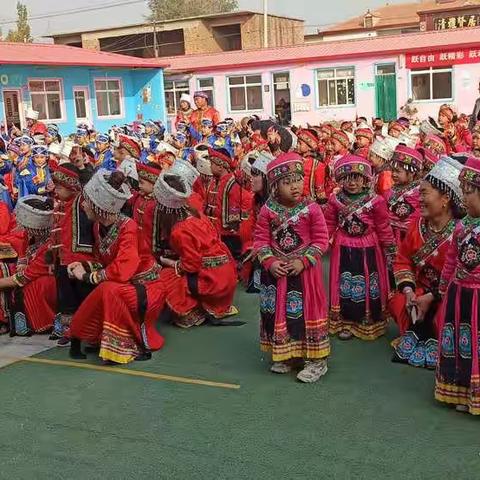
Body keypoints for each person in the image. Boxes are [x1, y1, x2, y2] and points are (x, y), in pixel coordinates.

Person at [67, 170, 165, 364]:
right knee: (106, 289)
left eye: (87, 201)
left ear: (98, 207)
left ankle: (116, 345)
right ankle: (80, 334)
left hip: (145, 287)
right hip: (125, 284)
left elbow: (123, 269)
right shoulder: (98, 227)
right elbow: (103, 261)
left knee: (108, 289)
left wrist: (87, 276)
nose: (83, 205)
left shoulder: (128, 227)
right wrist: (84, 265)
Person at [254, 152, 330, 382]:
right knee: (282, 312)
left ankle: (316, 360)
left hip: (304, 273)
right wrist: (270, 262)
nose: (295, 186)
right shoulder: (267, 210)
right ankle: (288, 354)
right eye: (287, 183)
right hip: (278, 274)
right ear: (275, 186)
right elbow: (260, 240)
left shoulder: (312, 208)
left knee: (305, 313)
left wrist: (303, 261)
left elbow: (321, 240)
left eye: (297, 180)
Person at [389, 156, 464, 369]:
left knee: (446, 316)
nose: (419, 199)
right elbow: (402, 261)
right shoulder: (418, 225)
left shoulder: (461, 231)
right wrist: (410, 292)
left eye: (424, 193)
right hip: (420, 291)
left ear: (445, 198)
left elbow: (460, 273)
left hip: (448, 294)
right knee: (398, 302)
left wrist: (432, 297)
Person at [325, 154, 396, 341]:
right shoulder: (335, 200)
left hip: (368, 248)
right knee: (344, 284)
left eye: (357, 178)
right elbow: (329, 223)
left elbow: (383, 226)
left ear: (366, 179)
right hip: (343, 247)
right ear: (340, 180)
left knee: (367, 283)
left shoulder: (376, 200)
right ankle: (346, 322)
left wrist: (390, 247)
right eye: (347, 178)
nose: (352, 183)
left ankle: (368, 321)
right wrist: (320, 244)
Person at [153, 172, 238, 328]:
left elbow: (192, 265)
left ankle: (193, 312)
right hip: (227, 276)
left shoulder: (179, 230)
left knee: (166, 276)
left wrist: (170, 263)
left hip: (214, 282)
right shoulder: (197, 215)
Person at [435, 155, 480, 415]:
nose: (463, 198)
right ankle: (463, 390)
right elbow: (452, 258)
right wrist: (444, 287)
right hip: (459, 293)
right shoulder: (462, 226)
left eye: (469, 192)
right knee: (463, 343)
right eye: (462, 191)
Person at [48, 163, 96, 344]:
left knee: (83, 295)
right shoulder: (60, 206)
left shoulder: (82, 202)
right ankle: (70, 330)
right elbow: (55, 233)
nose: (56, 191)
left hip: (81, 258)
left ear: (70, 186)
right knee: (66, 298)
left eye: (60, 187)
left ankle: (88, 330)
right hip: (62, 259)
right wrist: (51, 258)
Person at [0, 195, 56, 336]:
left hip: (47, 280)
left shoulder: (49, 246)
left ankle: (35, 321)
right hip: (30, 272)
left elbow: (23, 277)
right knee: (2, 270)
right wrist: (21, 264)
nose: (22, 228)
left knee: (32, 286)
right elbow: (24, 257)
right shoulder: (29, 235)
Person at [204, 147, 253, 261]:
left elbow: (234, 208)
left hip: (227, 235)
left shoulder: (231, 184)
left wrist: (233, 226)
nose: (210, 167)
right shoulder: (213, 182)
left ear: (221, 166)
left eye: (212, 164)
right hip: (213, 232)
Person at [383, 145, 422, 244]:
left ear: (412, 173)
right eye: (393, 171)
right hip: (390, 236)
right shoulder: (390, 190)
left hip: (410, 237)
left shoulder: (419, 191)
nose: (394, 174)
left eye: (398, 171)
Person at [296, 128, 326, 203]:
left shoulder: (317, 165)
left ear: (310, 147)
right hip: (294, 201)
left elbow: (320, 190)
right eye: (297, 143)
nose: (297, 145)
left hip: (310, 203)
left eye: (300, 143)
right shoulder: (294, 159)